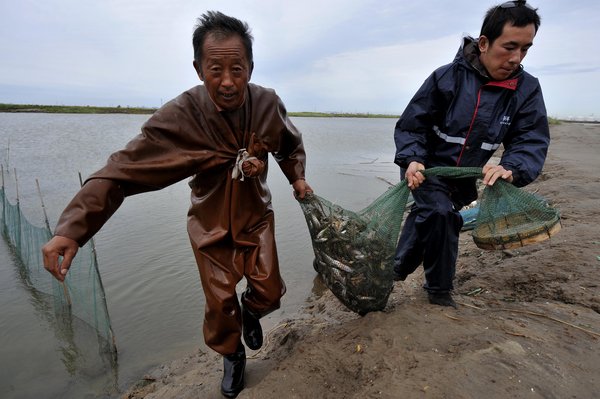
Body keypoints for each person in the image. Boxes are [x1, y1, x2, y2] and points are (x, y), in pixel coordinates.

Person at [42, 11, 312, 398]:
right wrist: (72, 229)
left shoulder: (268, 104)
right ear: (198, 68)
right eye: (215, 69)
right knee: (220, 305)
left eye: (237, 69)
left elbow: (289, 145)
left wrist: (297, 177)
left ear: (251, 67)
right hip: (210, 225)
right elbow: (122, 170)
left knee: (270, 291)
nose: (228, 82)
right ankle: (233, 356)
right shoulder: (181, 116)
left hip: (256, 217)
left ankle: (252, 311)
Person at [392, 1, 549, 308]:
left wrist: (511, 167)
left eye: (526, 49)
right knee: (442, 215)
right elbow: (413, 126)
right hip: (425, 169)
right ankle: (438, 290)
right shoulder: (446, 78)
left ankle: (397, 267)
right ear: (484, 43)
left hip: (465, 178)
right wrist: (411, 158)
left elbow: (530, 138)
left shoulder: (526, 89)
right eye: (509, 47)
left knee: (430, 218)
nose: (516, 58)